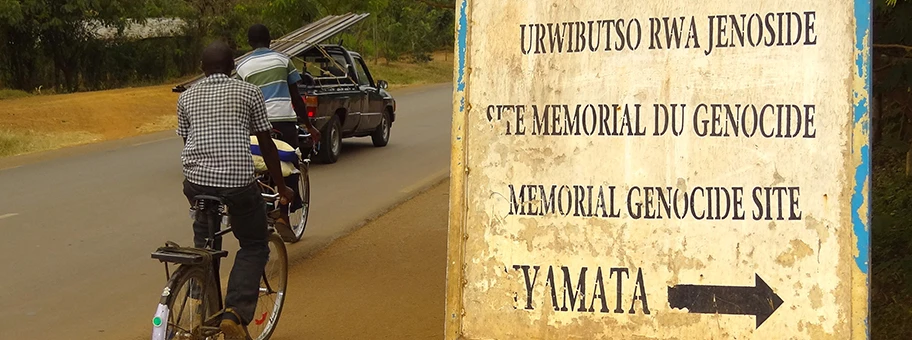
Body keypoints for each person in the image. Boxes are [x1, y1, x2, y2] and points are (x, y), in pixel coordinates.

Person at [176, 40, 292, 339]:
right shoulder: (248, 91)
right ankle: (234, 314)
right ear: (233, 68)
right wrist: (281, 186)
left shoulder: (186, 97)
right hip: (237, 182)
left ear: (201, 69)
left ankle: (199, 289)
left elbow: (188, 140)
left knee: (205, 240)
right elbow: (266, 142)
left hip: (196, 182)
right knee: (254, 243)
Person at [235, 23, 321, 233]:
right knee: (290, 162)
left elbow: (240, 99)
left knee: (256, 166)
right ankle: (283, 215)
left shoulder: (242, 67)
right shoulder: (284, 60)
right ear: (270, 40)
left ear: (249, 43)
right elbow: (296, 98)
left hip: (256, 124)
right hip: (284, 122)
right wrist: (309, 126)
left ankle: (263, 205)